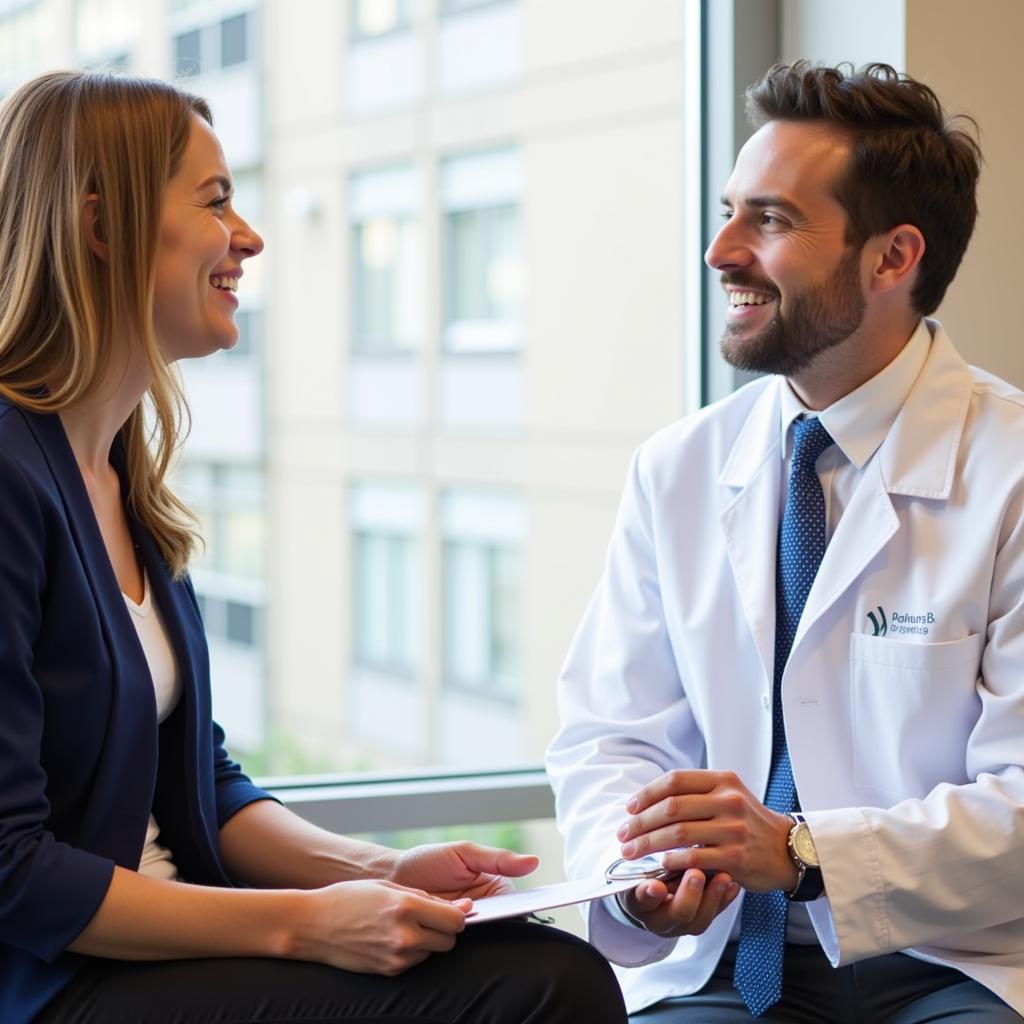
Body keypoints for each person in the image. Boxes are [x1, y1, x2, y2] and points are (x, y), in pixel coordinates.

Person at [0, 70, 628, 1024]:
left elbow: (198, 778)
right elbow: (13, 871)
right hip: (59, 985)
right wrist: (305, 923)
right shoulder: (9, 476)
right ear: (102, 226)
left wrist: (381, 870)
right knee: (545, 989)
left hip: (160, 957)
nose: (247, 237)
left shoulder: (120, 474)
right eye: (215, 202)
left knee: (531, 958)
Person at [547, 60, 1024, 1023]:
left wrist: (805, 854)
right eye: (730, 211)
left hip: (954, 965)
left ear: (892, 259)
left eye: (768, 221)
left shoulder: (1011, 472)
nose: (722, 249)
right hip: (723, 966)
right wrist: (639, 871)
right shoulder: (677, 468)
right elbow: (611, 736)